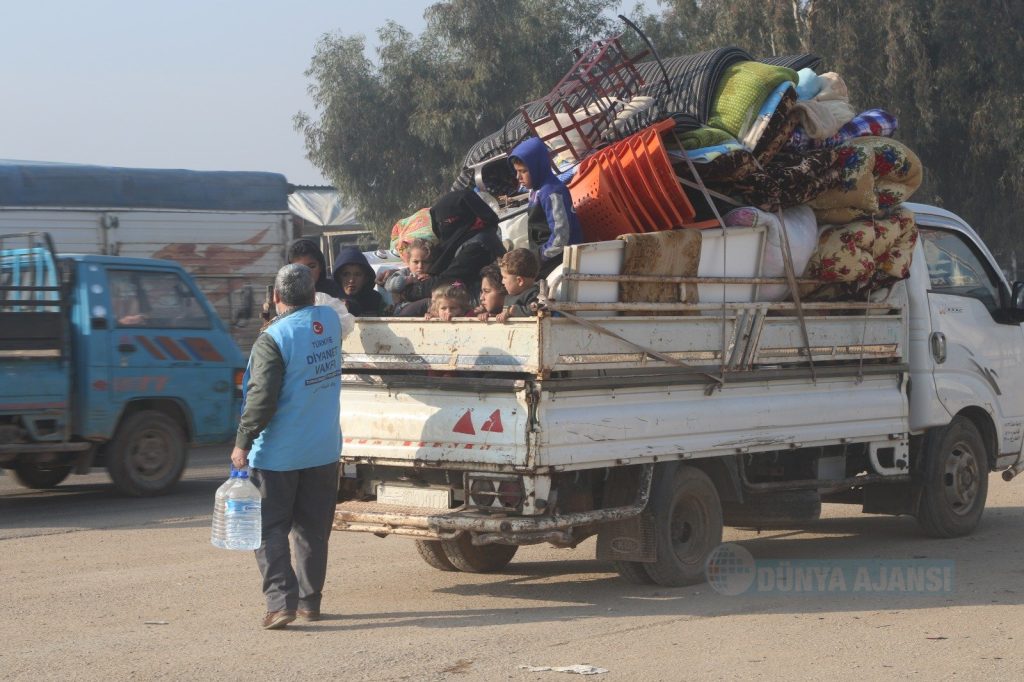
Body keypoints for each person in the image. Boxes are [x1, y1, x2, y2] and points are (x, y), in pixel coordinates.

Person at [230, 264, 343, 630]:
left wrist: (242, 442)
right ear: (312, 295)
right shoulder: (329, 320)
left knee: (267, 529)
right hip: (323, 449)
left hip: (278, 455)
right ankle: (310, 603)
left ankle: (281, 603)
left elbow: (261, 398)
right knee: (312, 530)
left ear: (276, 297)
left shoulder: (273, 338)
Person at [396, 190, 506, 317]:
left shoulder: (478, 246)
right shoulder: (463, 241)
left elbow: (446, 281)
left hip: (471, 308)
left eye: (445, 223)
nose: (441, 227)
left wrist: (407, 291)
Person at [509, 136, 583, 278]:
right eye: (516, 171)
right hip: (546, 256)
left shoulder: (551, 192)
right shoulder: (536, 190)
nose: (518, 177)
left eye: (523, 171)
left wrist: (539, 257)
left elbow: (561, 237)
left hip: (563, 259)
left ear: (538, 167)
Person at [377, 238, 433, 315]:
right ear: (408, 261)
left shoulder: (432, 275)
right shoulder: (405, 272)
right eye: (416, 262)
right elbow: (389, 285)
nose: (420, 266)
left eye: (425, 262)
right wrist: (408, 280)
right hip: (403, 309)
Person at [332, 246, 386, 316]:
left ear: (366, 278)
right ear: (338, 277)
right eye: (346, 274)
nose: (351, 280)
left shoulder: (375, 300)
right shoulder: (330, 299)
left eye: (357, 274)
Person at [493, 248, 540, 322]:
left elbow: (535, 311)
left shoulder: (533, 295)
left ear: (519, 281)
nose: (502, 281)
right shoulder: (509, 296)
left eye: (504, 277)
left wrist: (512, 311)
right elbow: (501, 315)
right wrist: (490, 315)